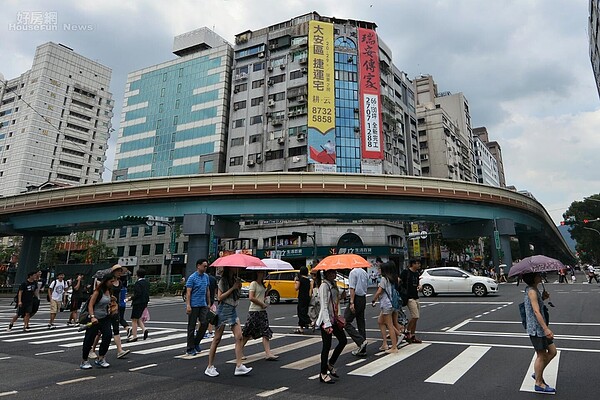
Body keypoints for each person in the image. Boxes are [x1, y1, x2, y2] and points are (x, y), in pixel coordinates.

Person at [205, 267, 252, 377]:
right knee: (217, 339)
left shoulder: (235, 279)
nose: (237, 269)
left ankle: (239, 365)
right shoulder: (223, 281)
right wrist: (233, 288)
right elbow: (220, 297)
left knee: (239, 337)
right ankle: (209, 366)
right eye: (234, 268)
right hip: (223, 310)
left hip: (232, 310)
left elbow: (236, 296)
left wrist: (238, 287)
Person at [522, 272, 557, 393]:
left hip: (539, 328)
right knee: (541, 355)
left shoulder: (534, 290)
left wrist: (542, 298)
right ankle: (539, 383)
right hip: (537, 329)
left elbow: (535, 305)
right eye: (538, 275)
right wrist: (546, 329)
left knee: (552, 351)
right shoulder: (531, 291)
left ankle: (537, 372)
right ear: (533, 278)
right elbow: (536, 312)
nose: (540, 276)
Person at [315, 269, 347, 384]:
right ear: (326, 274)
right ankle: (323, 373)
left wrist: (342, 296)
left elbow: (334, 301)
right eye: (331, 272)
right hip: (326, 320)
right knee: (326, 346)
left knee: (343, 340)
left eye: (334, 272)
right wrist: (327, 324)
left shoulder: (333, 284)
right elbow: (323, 305)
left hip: (334, 318)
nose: (333, 274)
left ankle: (330, 364)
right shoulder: (324, 286)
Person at [80, 273, 116, 369]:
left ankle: (101, 358)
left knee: (108, 336)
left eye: (113, 281)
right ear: (106, 281)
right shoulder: (98, 291)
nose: (112, 283)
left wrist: (112, 301)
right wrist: (92, 316)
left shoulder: (109, 291)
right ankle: (84, 360)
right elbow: (90, 305)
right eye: (111, 281)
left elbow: (107, 303)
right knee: (89, 339)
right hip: (95, 318)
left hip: (105, 317)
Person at [241, 270, 278, 360]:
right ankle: (239, 350)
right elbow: (251, 297)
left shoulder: (262, 284)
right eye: (261, 272)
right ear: (257, 273)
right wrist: (261, 304)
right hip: (254, 311)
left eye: (263, 272)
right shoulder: (253, 283)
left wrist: (267, 290)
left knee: (265, 332)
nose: (263, 274)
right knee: (247, 333)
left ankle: (268, 353)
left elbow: (261, 296)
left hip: (262, 311)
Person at [371, 262, 398, 354]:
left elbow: (379, 291)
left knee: (389, 325)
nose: (379, 270)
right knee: (380, 321)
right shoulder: (392, 278)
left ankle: (394, 347)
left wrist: (373, 300)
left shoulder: (384, 279)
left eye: (380, 269)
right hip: (390, 304)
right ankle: (385, 343)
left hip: (386, 304)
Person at [185, 259, 211, 356]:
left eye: (206, 266)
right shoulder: (192, 278)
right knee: (191, 326)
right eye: (204, 266)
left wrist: (209, 303)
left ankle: (196, 342)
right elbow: (188, 292)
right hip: (194, 305)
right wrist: (188, 305)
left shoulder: (206, 277)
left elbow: (207, 290)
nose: (205, 268)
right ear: (198, 266)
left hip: (203, 304)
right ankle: (190, 348)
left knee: (204, 323)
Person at [345, 265, 368, 356]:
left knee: (346, 322)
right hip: (363, 298)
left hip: (356, 299)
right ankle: (363, 349)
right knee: (361, 322)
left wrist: (351, 302)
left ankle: (360, 341)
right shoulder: (364, 272)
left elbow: (352, 288)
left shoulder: (353, 272)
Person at [400, 259, 422, 344]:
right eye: (417, 263)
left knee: (416, 318)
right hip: (409, 297)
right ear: (412, 264)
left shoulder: (416, 273)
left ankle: (412, 335)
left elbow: (417, 283)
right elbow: (399, 281)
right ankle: (407, 331)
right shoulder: (405, 272)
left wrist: (420, 287)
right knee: (415, 316)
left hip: (416, 296)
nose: (419, 265)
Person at [127, 269, 150, 342]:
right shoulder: (147, 282)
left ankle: (134, 336)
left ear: (137, 275)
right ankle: (144, 329)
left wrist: (130, 298)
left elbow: (137, 294)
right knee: (138, 317)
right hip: (145, 302)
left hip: (138, 302)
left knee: (134, 319)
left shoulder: (138, 283)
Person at [293, 266, 312, 334]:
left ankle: (310, 322)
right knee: (304, 311)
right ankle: (301, 328)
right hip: (307, 297)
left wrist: (295, 281)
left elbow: (296, 288)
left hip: (301, 297)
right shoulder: (308, 280)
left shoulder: (300, 279)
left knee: (301, 312)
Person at [204, 271, 218, 339]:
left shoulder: (204, 278)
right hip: (211, 299)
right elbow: (215, 289)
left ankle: (210, 332)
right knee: (210, 315)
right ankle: (209, 331)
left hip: (205, 300)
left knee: (206, 316)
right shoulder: (213, 279)